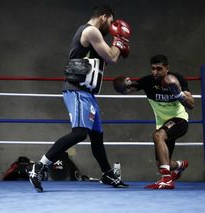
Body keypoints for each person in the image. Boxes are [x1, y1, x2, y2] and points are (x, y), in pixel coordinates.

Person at [27, 4, 131, 192]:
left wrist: (118, 45)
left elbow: (109, 56)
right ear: (103, 17)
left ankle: (107, 174)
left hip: (88, 94)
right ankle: (39, 166)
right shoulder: (91, 31)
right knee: (80, 133)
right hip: (76, 91)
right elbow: (111, 58)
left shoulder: (94, 35)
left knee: (97, 136)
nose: (111, 26)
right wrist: (119, 41)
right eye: (111, 21)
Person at [113, 54, 194, 189]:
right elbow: (129, 89)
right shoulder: (147, 81)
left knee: (158, 135)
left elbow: (191, 104)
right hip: (163, 124)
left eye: (159, 69)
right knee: (162, 163)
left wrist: (178, 93)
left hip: (179, 120)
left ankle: (166, 180)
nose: (155, 72)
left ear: (166, 68)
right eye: (153, 69)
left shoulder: (178, 79)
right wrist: (122, 86)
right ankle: (180, 165)